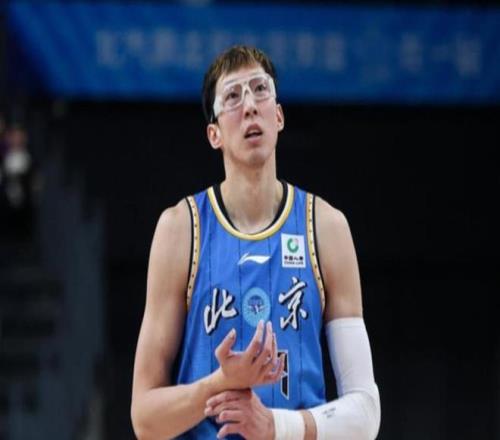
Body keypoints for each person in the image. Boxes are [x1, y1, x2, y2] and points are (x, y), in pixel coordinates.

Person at [131, 45, 380, 439]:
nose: (249, 106)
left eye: (260, 90)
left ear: (278, 116)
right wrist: (220, 383)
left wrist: (275, 427)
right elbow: (145, 419)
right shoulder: (180, 229)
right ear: (214, 134)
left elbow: (365, 413)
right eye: (232, 96)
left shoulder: (325, 227)